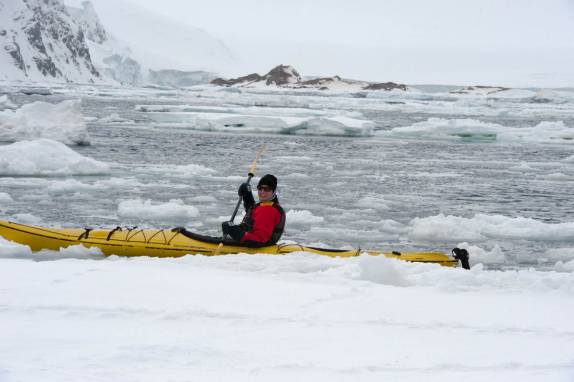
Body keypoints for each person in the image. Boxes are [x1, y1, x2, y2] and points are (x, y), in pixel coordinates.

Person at [222, 174, 285, 247]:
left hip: (256, 245)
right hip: (251, 240)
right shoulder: (268, 205)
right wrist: (247, 196)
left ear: (273, 191)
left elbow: (259, 240)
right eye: (260, 188)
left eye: (267, 189)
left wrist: (235, 232)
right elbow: (254, 215)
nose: (262, 191)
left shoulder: (269, 210)